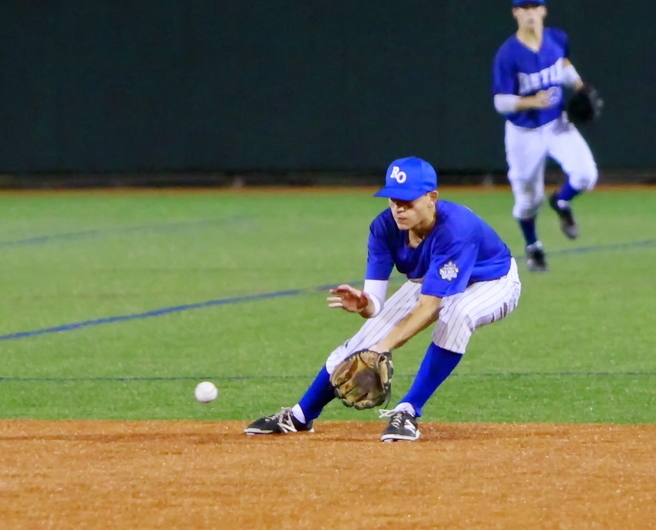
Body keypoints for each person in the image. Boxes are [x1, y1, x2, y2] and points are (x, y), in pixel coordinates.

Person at [244, 156, 522, 442]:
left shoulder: (457, 229)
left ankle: (408, 410)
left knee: (457, 315)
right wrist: (366, 305)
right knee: (362, 342)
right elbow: (376, 301)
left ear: (431, 198)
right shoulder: (383, 228)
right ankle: (301, 415)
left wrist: (382, 349)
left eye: (408, 201)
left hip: (493, 282)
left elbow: (429, 307)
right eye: (393, 200)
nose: (399, 208)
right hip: (432, 281)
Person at [492, 0, 599, 272]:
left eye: (534, 7)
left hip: (556, 123)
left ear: (543, 10)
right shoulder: (508, 54)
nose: (530, 13)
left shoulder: (556, 39)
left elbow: (562, 64)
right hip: (523, 133)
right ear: (515, 13)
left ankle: (561, 200)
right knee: (528, 201)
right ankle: (533, 247)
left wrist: (578, 84)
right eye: (523, 8)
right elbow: (500, 102)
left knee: (586, 174)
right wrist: (531, 102)